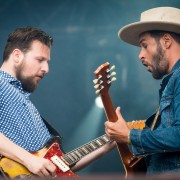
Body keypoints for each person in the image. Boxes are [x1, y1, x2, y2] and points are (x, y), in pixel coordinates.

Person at [0, 27, 115, 178]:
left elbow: (59, 165)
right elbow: (34, 163)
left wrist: (105, 148)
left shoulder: (26, 103)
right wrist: (29, 160)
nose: (46, 69)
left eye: (47, 62)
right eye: (40, 60)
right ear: (16, 55)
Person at [105, 6, 180, 175]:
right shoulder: (173, 80)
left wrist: (130, 135)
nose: (140, 55)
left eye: (144, 45)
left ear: (166, 41)